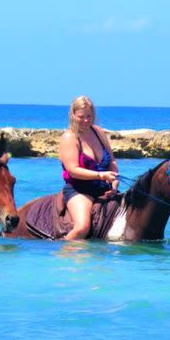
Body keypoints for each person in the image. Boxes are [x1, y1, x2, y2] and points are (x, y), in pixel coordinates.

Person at [59, 96, 119, 240]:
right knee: (83, 227)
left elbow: (112, 161)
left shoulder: (98, 132)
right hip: (79, 190)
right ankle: (62, 254)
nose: (86, 120)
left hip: (104, 189)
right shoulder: (70, 137)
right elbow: (72, 170)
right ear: (73, 115)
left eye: (89, 116)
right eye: (81, 117)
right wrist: (101, 176)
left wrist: (115, 182)